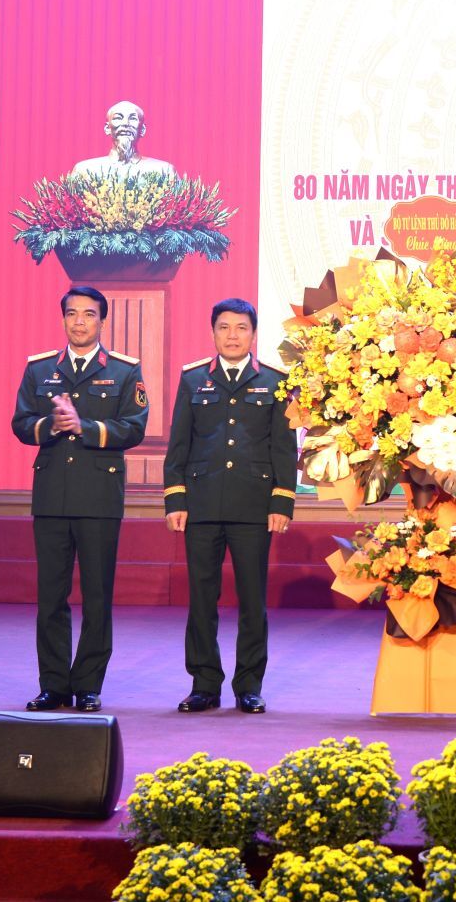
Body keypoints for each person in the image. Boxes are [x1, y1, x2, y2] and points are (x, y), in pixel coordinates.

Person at [11, 286, 148, 712]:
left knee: (97, 596)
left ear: (102, 321)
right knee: (50, 596)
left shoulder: (124, 370)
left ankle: (88, 684)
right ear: (63, 319)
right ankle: (53, 685)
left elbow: (134, 427)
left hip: (99, 497)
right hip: (51, 496)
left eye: (89, 314)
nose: (80, 322)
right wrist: (52, 425)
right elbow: (20, 423)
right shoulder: (39, 369)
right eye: (72, 314)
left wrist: (83, 426)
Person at [163, 298, 297, 714]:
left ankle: (249, 686)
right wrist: (176, 498)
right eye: (224, 327)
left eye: (241, 328)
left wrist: (282, 501)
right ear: (213, 332)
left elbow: (283, 447)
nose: (232, 335)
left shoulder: (275, 380)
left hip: (253, 506)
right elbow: (179, 443)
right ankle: (204, 685)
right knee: (202, 599)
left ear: (253, 334)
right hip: (201, 504)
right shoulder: (193, 380)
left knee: (252, 601)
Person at [71, 101, 177, 180]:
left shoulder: (164, 171)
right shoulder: (85, 171)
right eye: (118, 118)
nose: (125, 123)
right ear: (107, 128)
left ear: (142, 130)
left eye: (133, 118)